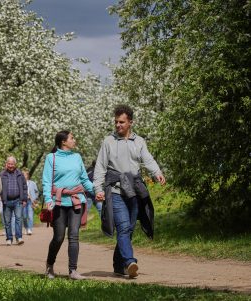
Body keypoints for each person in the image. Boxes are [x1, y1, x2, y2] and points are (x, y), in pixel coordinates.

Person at [93, 104, 166, 279]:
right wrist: (98, 188)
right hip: (116, 191)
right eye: (116, 122)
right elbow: (100, 166)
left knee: (130, 229)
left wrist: (157, 172)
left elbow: (147, 159)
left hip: (133, 191)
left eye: (122, 122)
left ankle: (118, 266)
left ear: (130, 122)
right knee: (124, 227)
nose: (118, 125)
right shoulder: (108, 141)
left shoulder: (139, 141)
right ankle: (130, 262)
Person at [42, 130, 94, 280]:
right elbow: (46, 181)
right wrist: (48, 199)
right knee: (58, 237)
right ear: (63, 142)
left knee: (74, 236)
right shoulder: (51, 158)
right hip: (58, 203)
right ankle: (50, 266)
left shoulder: (77, 157)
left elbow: (84, 179)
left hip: (76, 201)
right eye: (72, 138)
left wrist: (96, 191)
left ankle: (73, 271)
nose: (74, 140)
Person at [0, 156, 28, 246]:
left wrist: (24, 199)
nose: (10, 165)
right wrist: (0, 197)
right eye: (9, 164)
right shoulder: (2, 174)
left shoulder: (20, 174)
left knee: (18, 219)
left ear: (15, 164)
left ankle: (19, 237)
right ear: (6, 164)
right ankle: (9, 238)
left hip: (17, 200)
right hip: (6, 201)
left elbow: (24, 187)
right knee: (7, 221)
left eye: (12, 164)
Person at [22, 169, 39, 235]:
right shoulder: (20, 184)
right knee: (24, 216)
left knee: (30, 215)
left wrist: (34, 198)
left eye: (25, 175)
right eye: (23, 175)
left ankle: (30, 229)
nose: (24, 176)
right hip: (23, 201)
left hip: (30, 201)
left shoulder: (32, 183)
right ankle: (26, 228)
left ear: (27, 176)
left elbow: (37, 192)